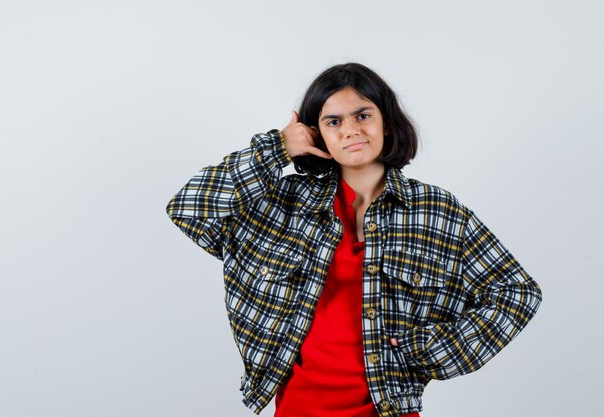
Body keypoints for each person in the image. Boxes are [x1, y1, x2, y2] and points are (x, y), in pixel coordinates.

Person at [165, 62, 542, 417]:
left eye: (363, 115)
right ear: (317, 134)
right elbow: (188, 208)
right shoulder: (281, 204)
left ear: (387, 123)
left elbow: (516, 291)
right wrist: (276, 148)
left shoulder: (436, 210)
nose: (351, 130)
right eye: (333, 121)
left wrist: (432, 351)